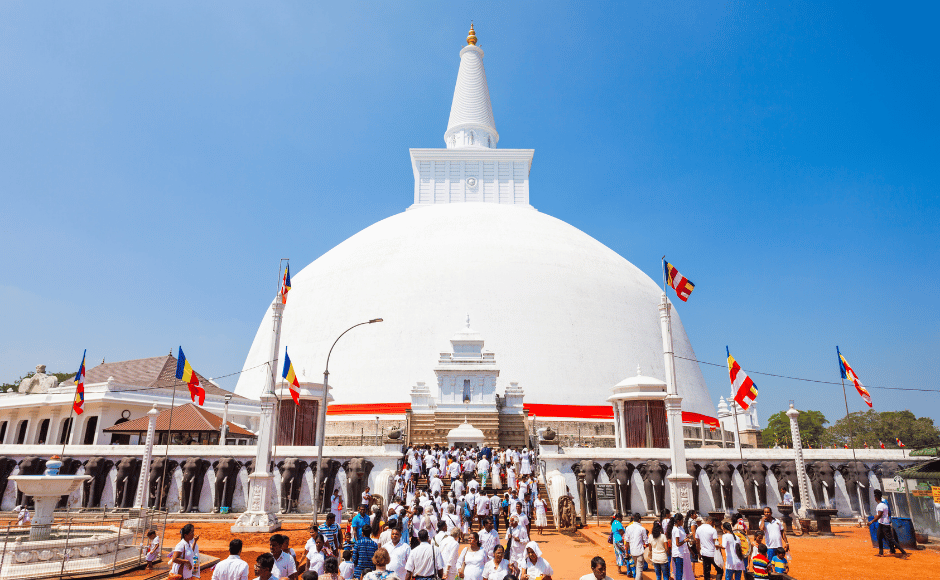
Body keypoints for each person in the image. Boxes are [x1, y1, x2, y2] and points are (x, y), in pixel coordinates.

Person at [874, 489, 908, 557]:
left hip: (884, 523)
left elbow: (882, 514)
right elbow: (887, 512)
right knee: (879, 536)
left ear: (876, 497)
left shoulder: (882, 503)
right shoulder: (883, 502)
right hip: (882, 522)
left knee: (890, 538)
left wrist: (873, 520)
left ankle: (902, 552)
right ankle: (881, 553)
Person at [695, 515, 721, 580]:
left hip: (704, 553)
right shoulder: (713, 530)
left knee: (706, 572)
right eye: (714, 523)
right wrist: (719, 553)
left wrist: (698, 553)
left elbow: (697, 542)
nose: (714, 524)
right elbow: (716, 543)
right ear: (711, 522)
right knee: (720, 570)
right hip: (712, 553)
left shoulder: (698, 529)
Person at [623, 513, 647, 580]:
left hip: (632, 551)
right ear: (639, 520)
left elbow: (627, 541)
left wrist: (626, 552)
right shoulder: (642, 529)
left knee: (637, 567)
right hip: (640, 551)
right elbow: (646, 541)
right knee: (639, 569)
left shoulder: (628, 528)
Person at [668, 513, 689, 580]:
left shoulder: (678, 528)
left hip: (678, 553)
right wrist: (685, 541)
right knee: (679, 572)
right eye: (682, 521)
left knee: (679, 571)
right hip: (678, 553)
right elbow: (677, 543)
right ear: (678, 521)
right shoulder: (676, 530)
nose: (683, 522)